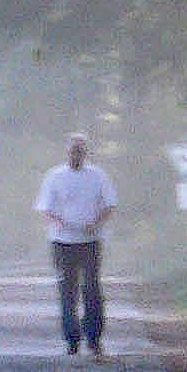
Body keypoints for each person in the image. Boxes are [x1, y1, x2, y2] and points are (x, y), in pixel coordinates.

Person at [36, 133, 119, 357]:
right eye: (73, 151)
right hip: (63, 242)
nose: (76, 155)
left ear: (85, 154)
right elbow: (45, 207)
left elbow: (110, 204)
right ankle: (71, 339)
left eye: (80, 152)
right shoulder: (55, 176)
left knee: (92, 288)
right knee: (67, 289)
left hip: (90, 241)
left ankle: (93, 337)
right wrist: (59, 222)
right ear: (67, 153)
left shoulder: (98, 176)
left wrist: (97, 223)